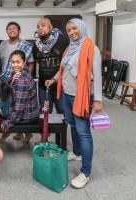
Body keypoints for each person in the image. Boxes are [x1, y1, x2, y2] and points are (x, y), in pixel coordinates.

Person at [48, 18, 103, 189]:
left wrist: (98, 99)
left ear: (81, 28)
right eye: (69, 30)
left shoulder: (92, 48)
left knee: (83, 131)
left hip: (82, 96)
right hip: (66, 93)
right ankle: (77, 152)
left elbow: (98, 75)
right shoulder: (69, 48)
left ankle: (85, 172)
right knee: (72, 124)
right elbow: (63, 68)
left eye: (74, 29)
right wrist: (54, 79)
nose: (72, 32)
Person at [33, 17, 69, 144]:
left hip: (61, 86)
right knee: (44, 114)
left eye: (43, 25)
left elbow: (68, 63)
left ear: (51, 27)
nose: (40, 28)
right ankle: (45, 138)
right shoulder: (36, 45)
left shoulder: (63, 40)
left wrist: (56, 79)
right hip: (43, 87)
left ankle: (61, 141)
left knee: (63, 114)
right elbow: (36, 63)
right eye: (38, 26)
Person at [0, 21, 34, 142]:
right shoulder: (2, 44)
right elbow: (1, 63)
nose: (12, 30)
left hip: (19, 80)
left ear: (19, 31)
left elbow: (31, 63)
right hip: (7, 79)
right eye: (9, 28)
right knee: (5, 104)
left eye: (15, 28)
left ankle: (14, 131)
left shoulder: (25, 45)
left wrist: (24, 78)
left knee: (16, 104)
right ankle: (15, 133)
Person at [0, 50, 40, 143]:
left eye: (18, 62)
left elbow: (19, 107)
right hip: (32, 111)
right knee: (3, 105)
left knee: (1, 112)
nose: (15, 65)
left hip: (27, 116)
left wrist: (8, 122)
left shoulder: (21, 79)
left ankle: (6, 133)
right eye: (13, 62)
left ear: (24, 62)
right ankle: (28, 134)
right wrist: (12, 81)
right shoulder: (23, 71)